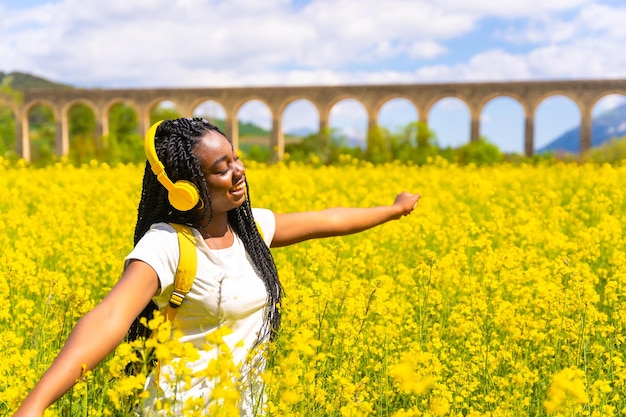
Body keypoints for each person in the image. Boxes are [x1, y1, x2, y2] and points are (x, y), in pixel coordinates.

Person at [13, 117, 421, 416]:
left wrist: (392, 210)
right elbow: (107, 319)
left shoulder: (251, 229)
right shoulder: (167, 244)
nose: (238, 172)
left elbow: (328, 221)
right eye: (220, 168)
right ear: (185, 187)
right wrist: (33, 407)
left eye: (236, 159)